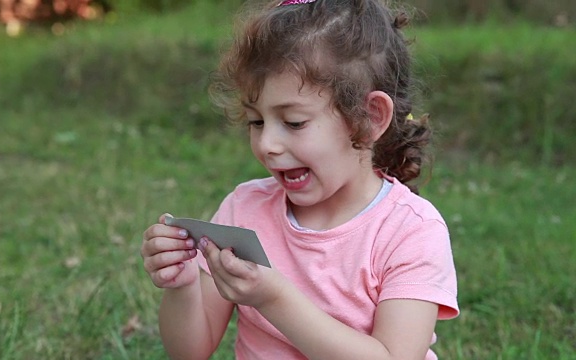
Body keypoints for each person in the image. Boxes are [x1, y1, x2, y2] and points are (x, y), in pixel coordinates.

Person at [141, 0, 459, 358]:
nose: (267, 144)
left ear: (369, 118)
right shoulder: (244, 211)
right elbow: (190, 352)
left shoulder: (410, 231)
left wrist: (273, 298)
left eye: (294, 122)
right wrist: (182, 287)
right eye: (256, 121)